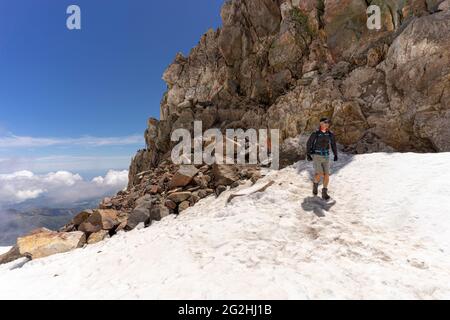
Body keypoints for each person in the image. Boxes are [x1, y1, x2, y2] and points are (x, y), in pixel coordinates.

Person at [306, 118, 338, 200]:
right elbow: (309, 143)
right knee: (319, 173)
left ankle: (324, 193)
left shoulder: (330, 134)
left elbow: (333, 144)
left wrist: (335, 154)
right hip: (317, 156)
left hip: (326, 156)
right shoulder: (315, 133)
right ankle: (315, 184)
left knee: (327, 175)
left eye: (328, 123)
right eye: (325, 122)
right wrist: (308, 154)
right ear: (321, 123)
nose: (327, 124)